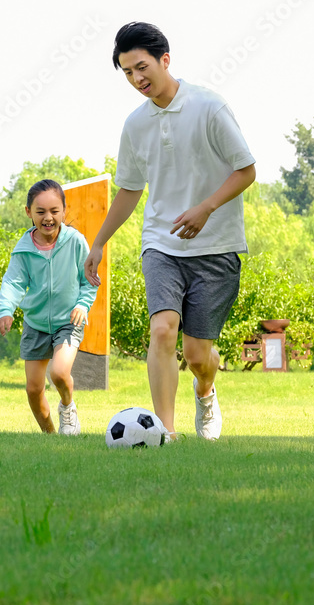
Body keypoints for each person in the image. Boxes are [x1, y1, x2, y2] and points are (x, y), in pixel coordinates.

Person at [84, 22, 256, 441]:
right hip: (161, 242)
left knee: (198, 355)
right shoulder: (135, 124)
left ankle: (206, 390)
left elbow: (246, 169)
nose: (137, 79)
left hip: (216, 245)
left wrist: (206, 209)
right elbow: (130, 188)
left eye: (141, 67)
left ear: (165, 60)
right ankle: (166, 431)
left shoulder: (209, 107)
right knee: (162, 328)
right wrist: (99, 241)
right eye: (127, 73)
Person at [0, 179, 98, 435]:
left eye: (54, 211)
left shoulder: (76, 242)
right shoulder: (23, 250)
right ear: (29, 212)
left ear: (64, 210)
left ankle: (67, 407)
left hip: (68, 321)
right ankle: (50, 436)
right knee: (33, 389)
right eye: (40, 212)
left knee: (60, 373)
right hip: (36, 323)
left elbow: (90, 280)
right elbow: (13, 282)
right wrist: (6, 310)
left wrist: (83, 305)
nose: (48, 218)